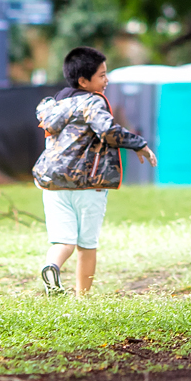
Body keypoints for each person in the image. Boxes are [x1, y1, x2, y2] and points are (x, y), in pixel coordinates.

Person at [33, 46, 156, 295]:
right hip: (88, 183)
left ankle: (51, 265)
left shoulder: (55, 105)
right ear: (84, 81)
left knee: (63, 241)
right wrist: (139, 144)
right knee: (87, 245)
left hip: (52, 183)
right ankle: (83, 298)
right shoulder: (92, 102)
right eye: (102, 75)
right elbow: (108, 131)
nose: (106, 80)